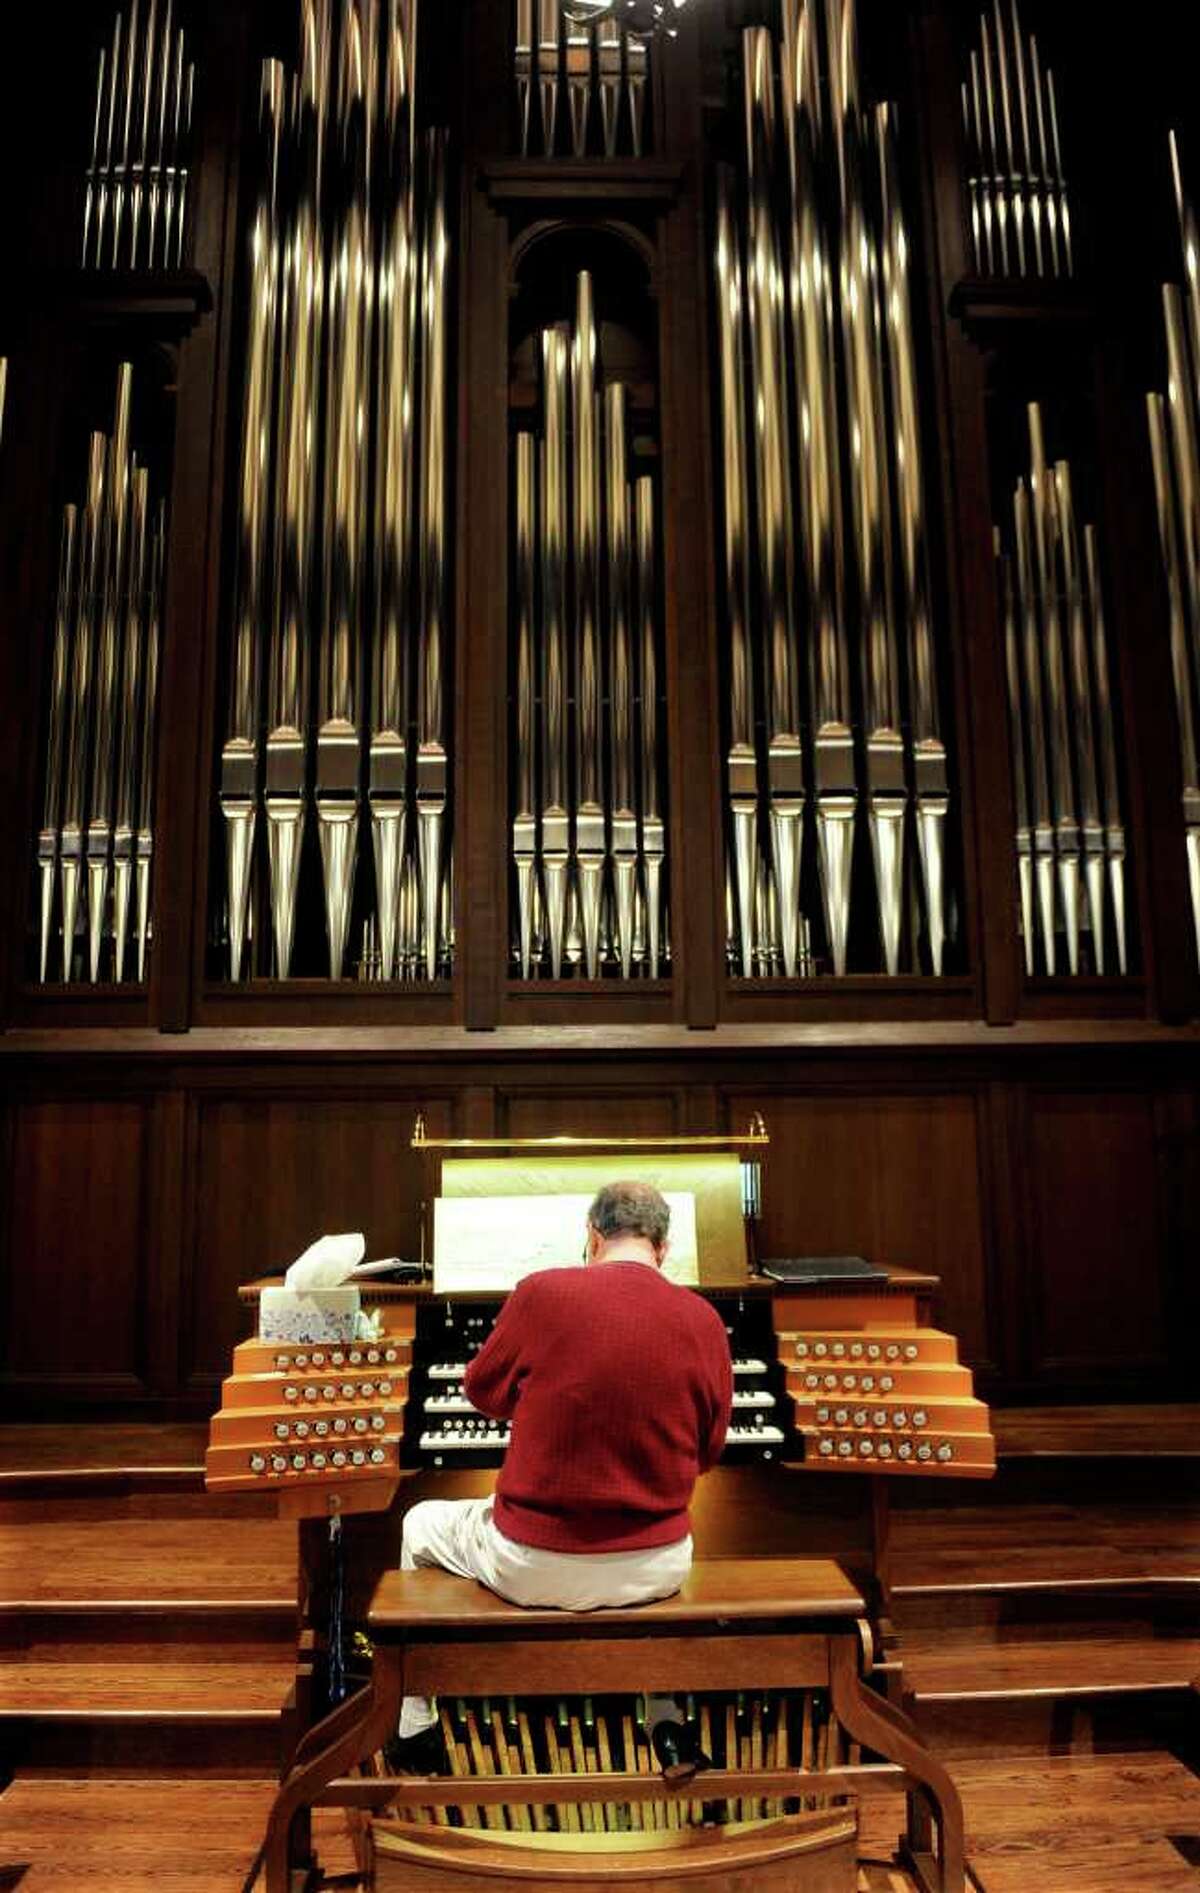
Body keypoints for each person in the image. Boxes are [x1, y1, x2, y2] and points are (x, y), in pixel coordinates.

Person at [394, 1179, 733, 1775]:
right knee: (668, 1550)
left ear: (592, 1237)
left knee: (420, 1522)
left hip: (531, 1563)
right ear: (664, 1247)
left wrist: (546, 1392)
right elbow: (708, 1452)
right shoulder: (702, 1319)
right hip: (655, 1567)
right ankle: (666, 1720)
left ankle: (414, 1725)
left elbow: (482, 1391)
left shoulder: (541, 1292)